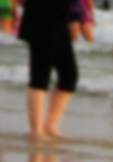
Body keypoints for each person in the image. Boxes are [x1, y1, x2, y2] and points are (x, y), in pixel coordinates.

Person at [18, 0, 79, 140]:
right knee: (40, 75)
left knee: (69, 76)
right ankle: (36, 130)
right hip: (40, 15)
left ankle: (50, 126)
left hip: (59, 18)